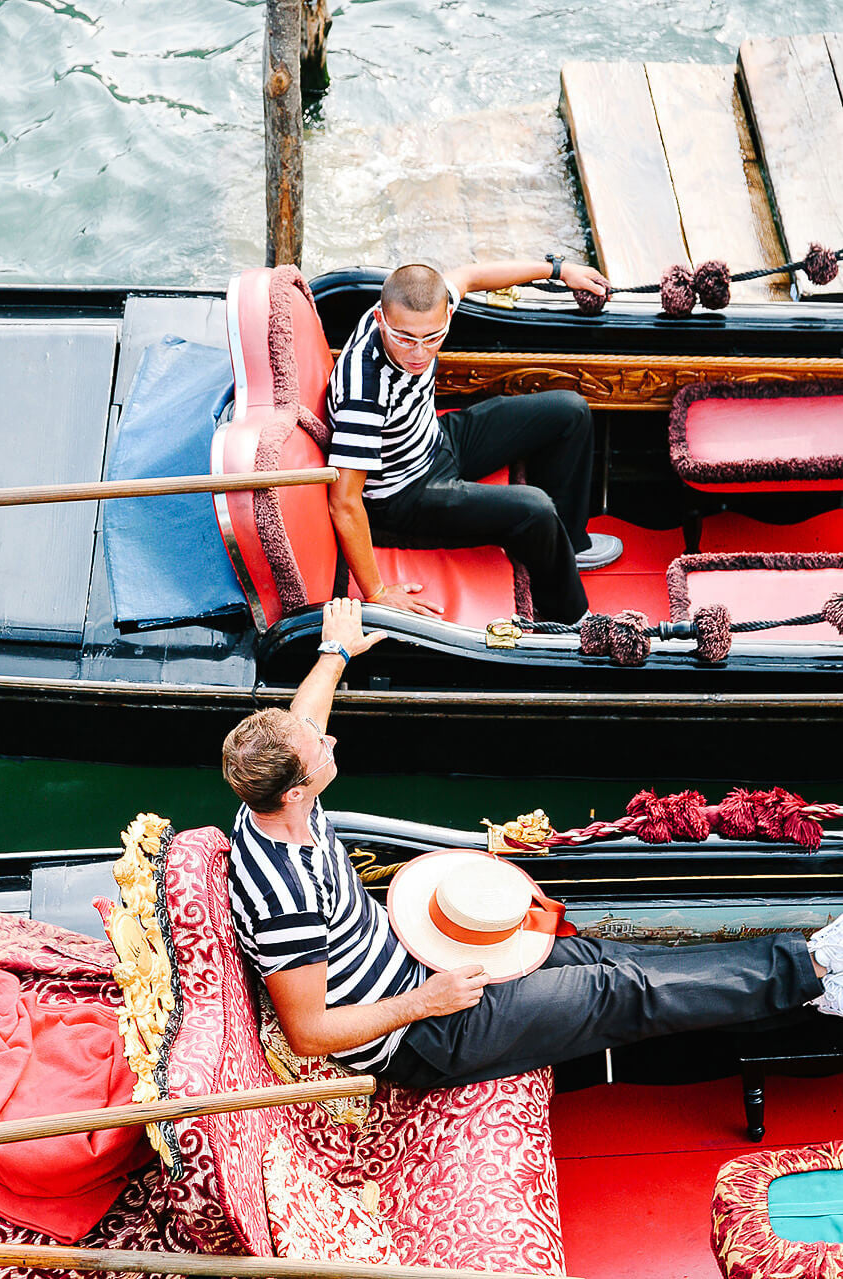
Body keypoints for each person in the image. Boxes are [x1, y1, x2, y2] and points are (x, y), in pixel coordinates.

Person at [223, 599, 842, 1090]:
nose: (329, 742)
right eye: (319, 751)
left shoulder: (276, 797)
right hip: (420, 1038)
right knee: (617, 991)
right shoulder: (287, 897)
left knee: (599, 959)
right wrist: (427, 1001)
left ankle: (792, 973)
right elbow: (307, 1032)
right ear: (298, 790)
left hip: (422, 959)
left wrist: (334, 653)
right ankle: (816, 969)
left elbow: (305, 721)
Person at [326, 259, 623, 625]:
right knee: (535, 509)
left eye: (432, 338)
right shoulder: (364, 392)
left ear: (447, 314)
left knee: (570, 411)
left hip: (433, 441)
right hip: (401, 497)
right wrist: (377, 594)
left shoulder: (424, 307)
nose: (419, 353)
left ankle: (570, 544)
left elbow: (469, 276)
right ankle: (570, 620)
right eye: (404, 339)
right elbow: (344, 501)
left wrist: (559, 271)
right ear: (380, 321)